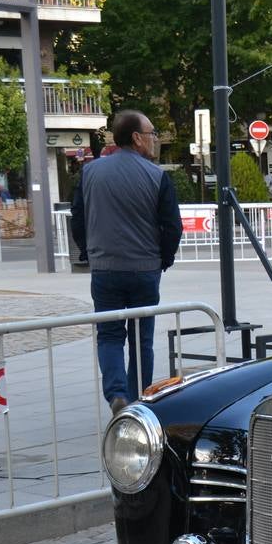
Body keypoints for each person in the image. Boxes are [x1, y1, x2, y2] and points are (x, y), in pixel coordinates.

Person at [70, 109, 182, 414]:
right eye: (152, 133)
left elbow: (77, 218)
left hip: (104, 269)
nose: (154, 139)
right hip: (145, 269)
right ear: (136, 138)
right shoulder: (157, 176)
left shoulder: (90, 173)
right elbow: (172, 226)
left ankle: (116, 394)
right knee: (141, 338)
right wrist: (165, 259)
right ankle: (138, 400)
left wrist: (87, 251)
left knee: (108, 335)